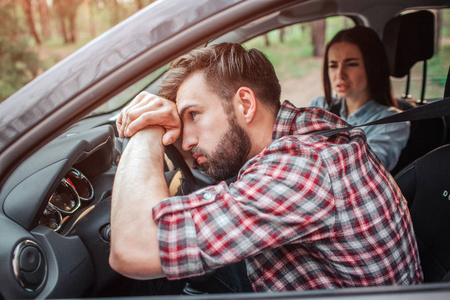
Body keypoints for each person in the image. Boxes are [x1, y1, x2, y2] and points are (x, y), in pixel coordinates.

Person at [109, 43, 423, 292]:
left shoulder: (301, 170)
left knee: (163, 280)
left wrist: (147, 129)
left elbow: (134, 249)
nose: (187, 141)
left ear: (245, 104)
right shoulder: (309, 124)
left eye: (194, 115)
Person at [309, 26, 410, 171]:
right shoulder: (319, 106)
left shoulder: (393, 122)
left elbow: (364, 171)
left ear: (373, 67)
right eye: (333, 65)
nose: (340, 74)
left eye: (351, 64)